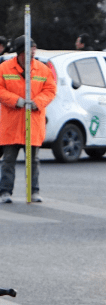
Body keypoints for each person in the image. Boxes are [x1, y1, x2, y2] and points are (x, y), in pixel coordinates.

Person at [0, 35, 57, 203]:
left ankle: (34, 191)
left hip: (32, 122)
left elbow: (50, 90)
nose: (31, 54)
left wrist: (37, 102)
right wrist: (15, 100)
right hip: (12, 122)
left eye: (33, 51)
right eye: (28, 52)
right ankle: (5, 192)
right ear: (19, 53)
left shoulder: (42, 69)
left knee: (33, 161)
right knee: (8, 160)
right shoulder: (4, 68)